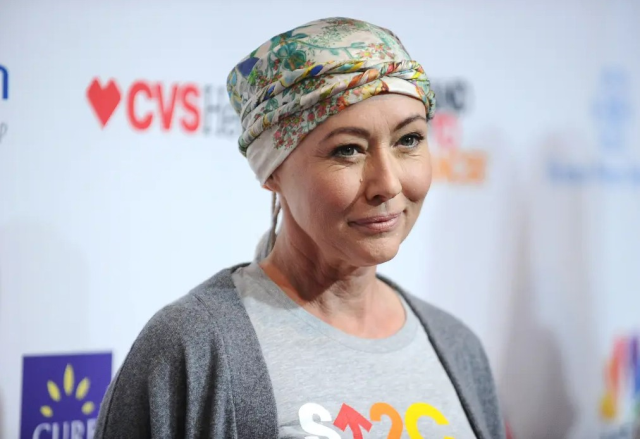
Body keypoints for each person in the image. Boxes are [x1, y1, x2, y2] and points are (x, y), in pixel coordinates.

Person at [94, 17, 505, 439]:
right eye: (348, 150)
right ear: (273, 170)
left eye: (409, 140)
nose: (388, 184)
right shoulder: (192, 346)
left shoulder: (456, 347)